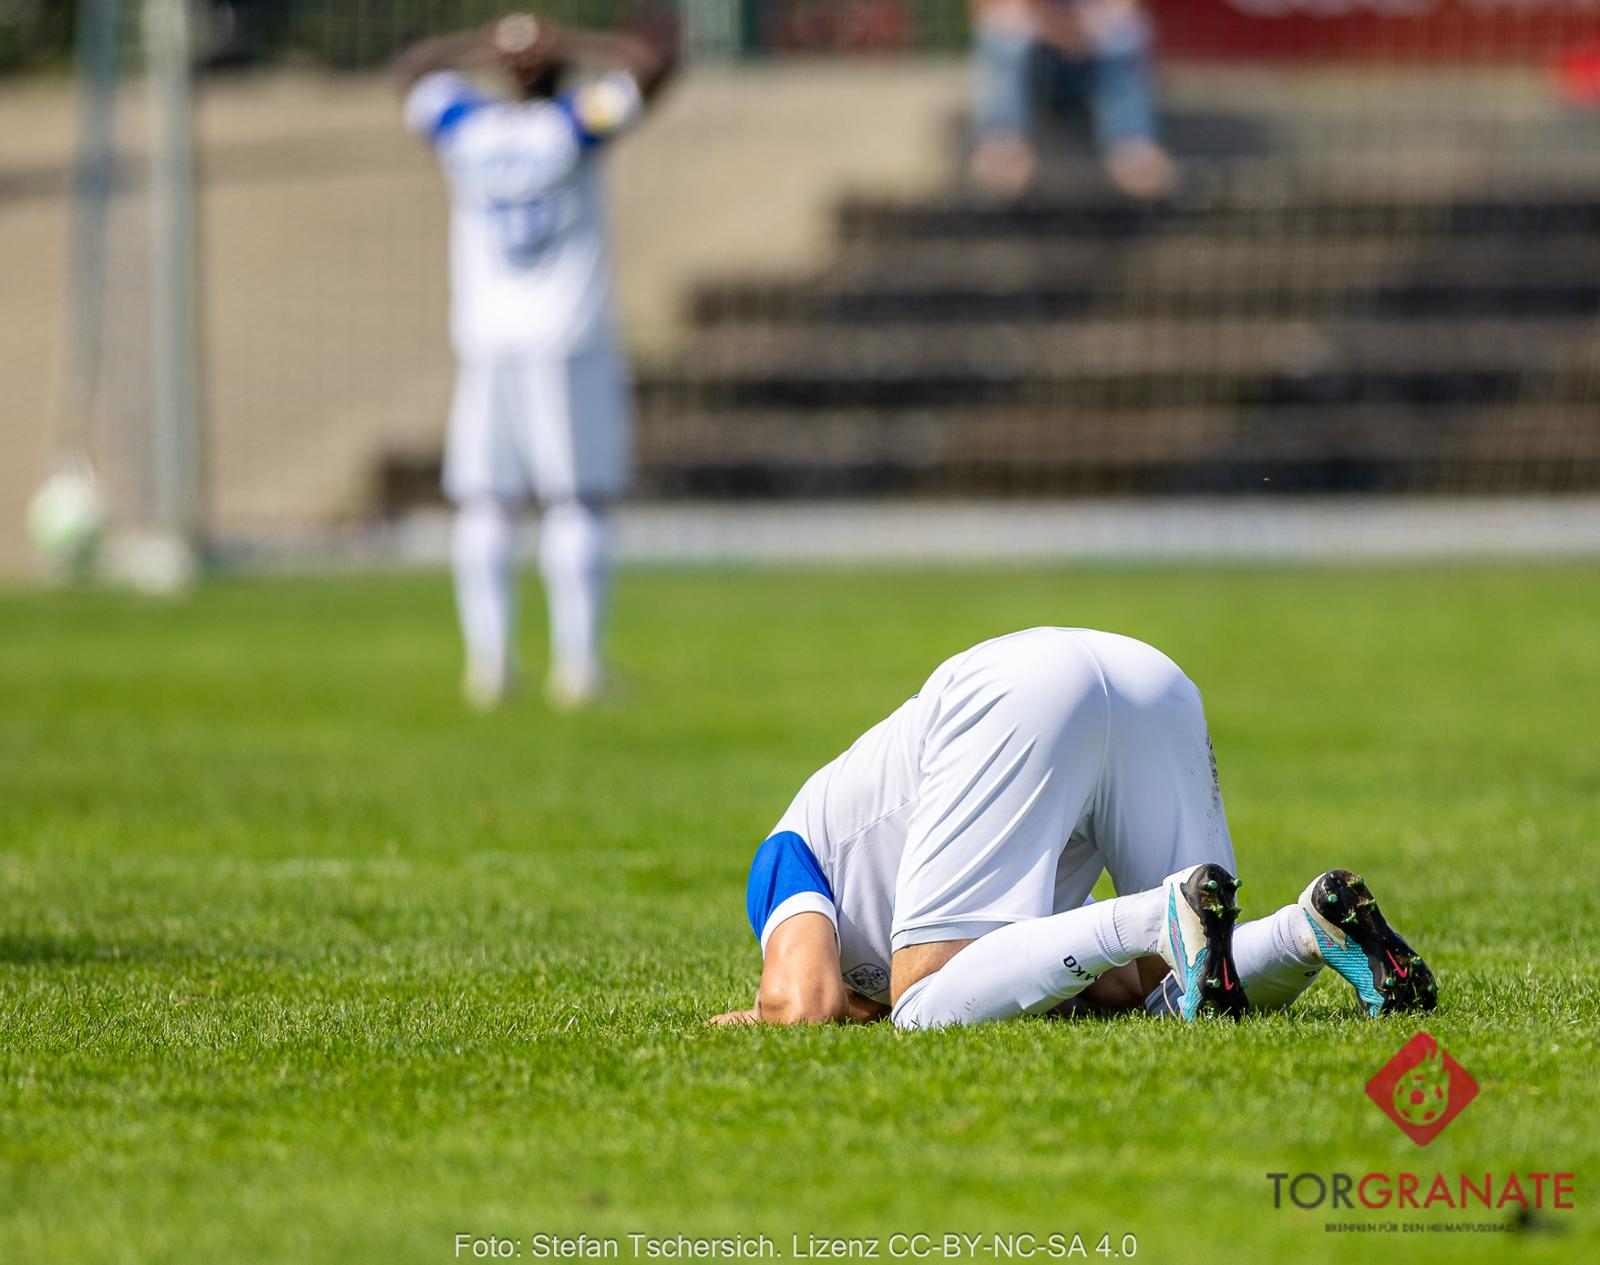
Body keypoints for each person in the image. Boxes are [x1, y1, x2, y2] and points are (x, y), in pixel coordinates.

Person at [713, 627, 1437, 1028]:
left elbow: (805, 1005)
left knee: (924, 1006)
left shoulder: (786, 854)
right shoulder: (970, 871)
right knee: (1173, 985)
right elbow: (1115, 984)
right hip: (1151, 678)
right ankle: (1312, 928)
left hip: (1014, 691)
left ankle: (1158, 909)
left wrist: (737, 1021)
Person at [394, 8, 680, 709]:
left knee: (486, 499)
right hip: (567, 335)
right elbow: (654, 66)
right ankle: (579, 667)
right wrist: (564, 44)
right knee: (577, 497)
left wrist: (488, 45)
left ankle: (490, 665)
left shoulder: (468, 128)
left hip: (487, 338)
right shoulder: (573, 124)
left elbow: (409, 70)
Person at [969, 0, 1175, 200]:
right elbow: (986, 9)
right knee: (1004, 32)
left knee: (1125, 35)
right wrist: (1056, 28)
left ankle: (1131, 146)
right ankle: (1004, 144)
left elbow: (1129, 7)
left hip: (1093, 55)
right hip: (1036, 60)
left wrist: (1092, 25)